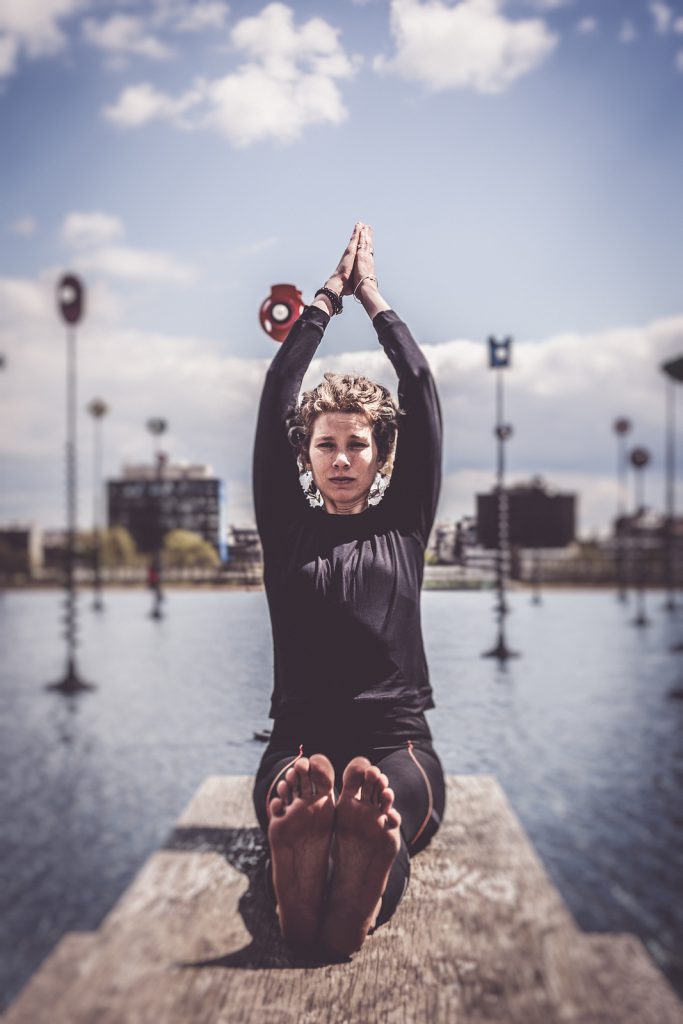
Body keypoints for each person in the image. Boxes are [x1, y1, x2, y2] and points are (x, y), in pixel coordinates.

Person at [252, 222, 446, 959]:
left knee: (384, 809)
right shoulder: (286, 527)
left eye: (356, 443)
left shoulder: (405, 523)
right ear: (305, 453)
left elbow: (420, 389)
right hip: (297, 742)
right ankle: (304, 874)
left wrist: (372, 299)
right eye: (325, 443)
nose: (340, 458)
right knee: (298, 794)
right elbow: (279, 390)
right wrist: (323, 300)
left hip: (394, 742)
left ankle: (356, 895)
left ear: (381, 455)